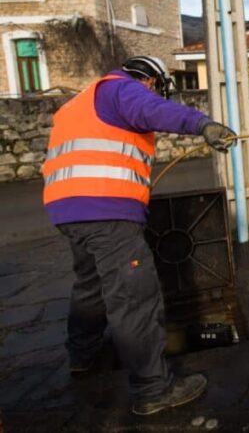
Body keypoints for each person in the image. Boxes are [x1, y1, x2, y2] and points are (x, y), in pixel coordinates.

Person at [42, 55, 236, 416]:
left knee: (91, 285)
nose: (155, 93)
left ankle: (82, 355)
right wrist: (203, 124)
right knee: (133, 297)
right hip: (107, 211)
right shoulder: (123, 89)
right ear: (148, 80)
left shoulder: (80, 102)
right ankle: (153, 389)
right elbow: (153, 111)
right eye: (157, 87)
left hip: (67, 209)